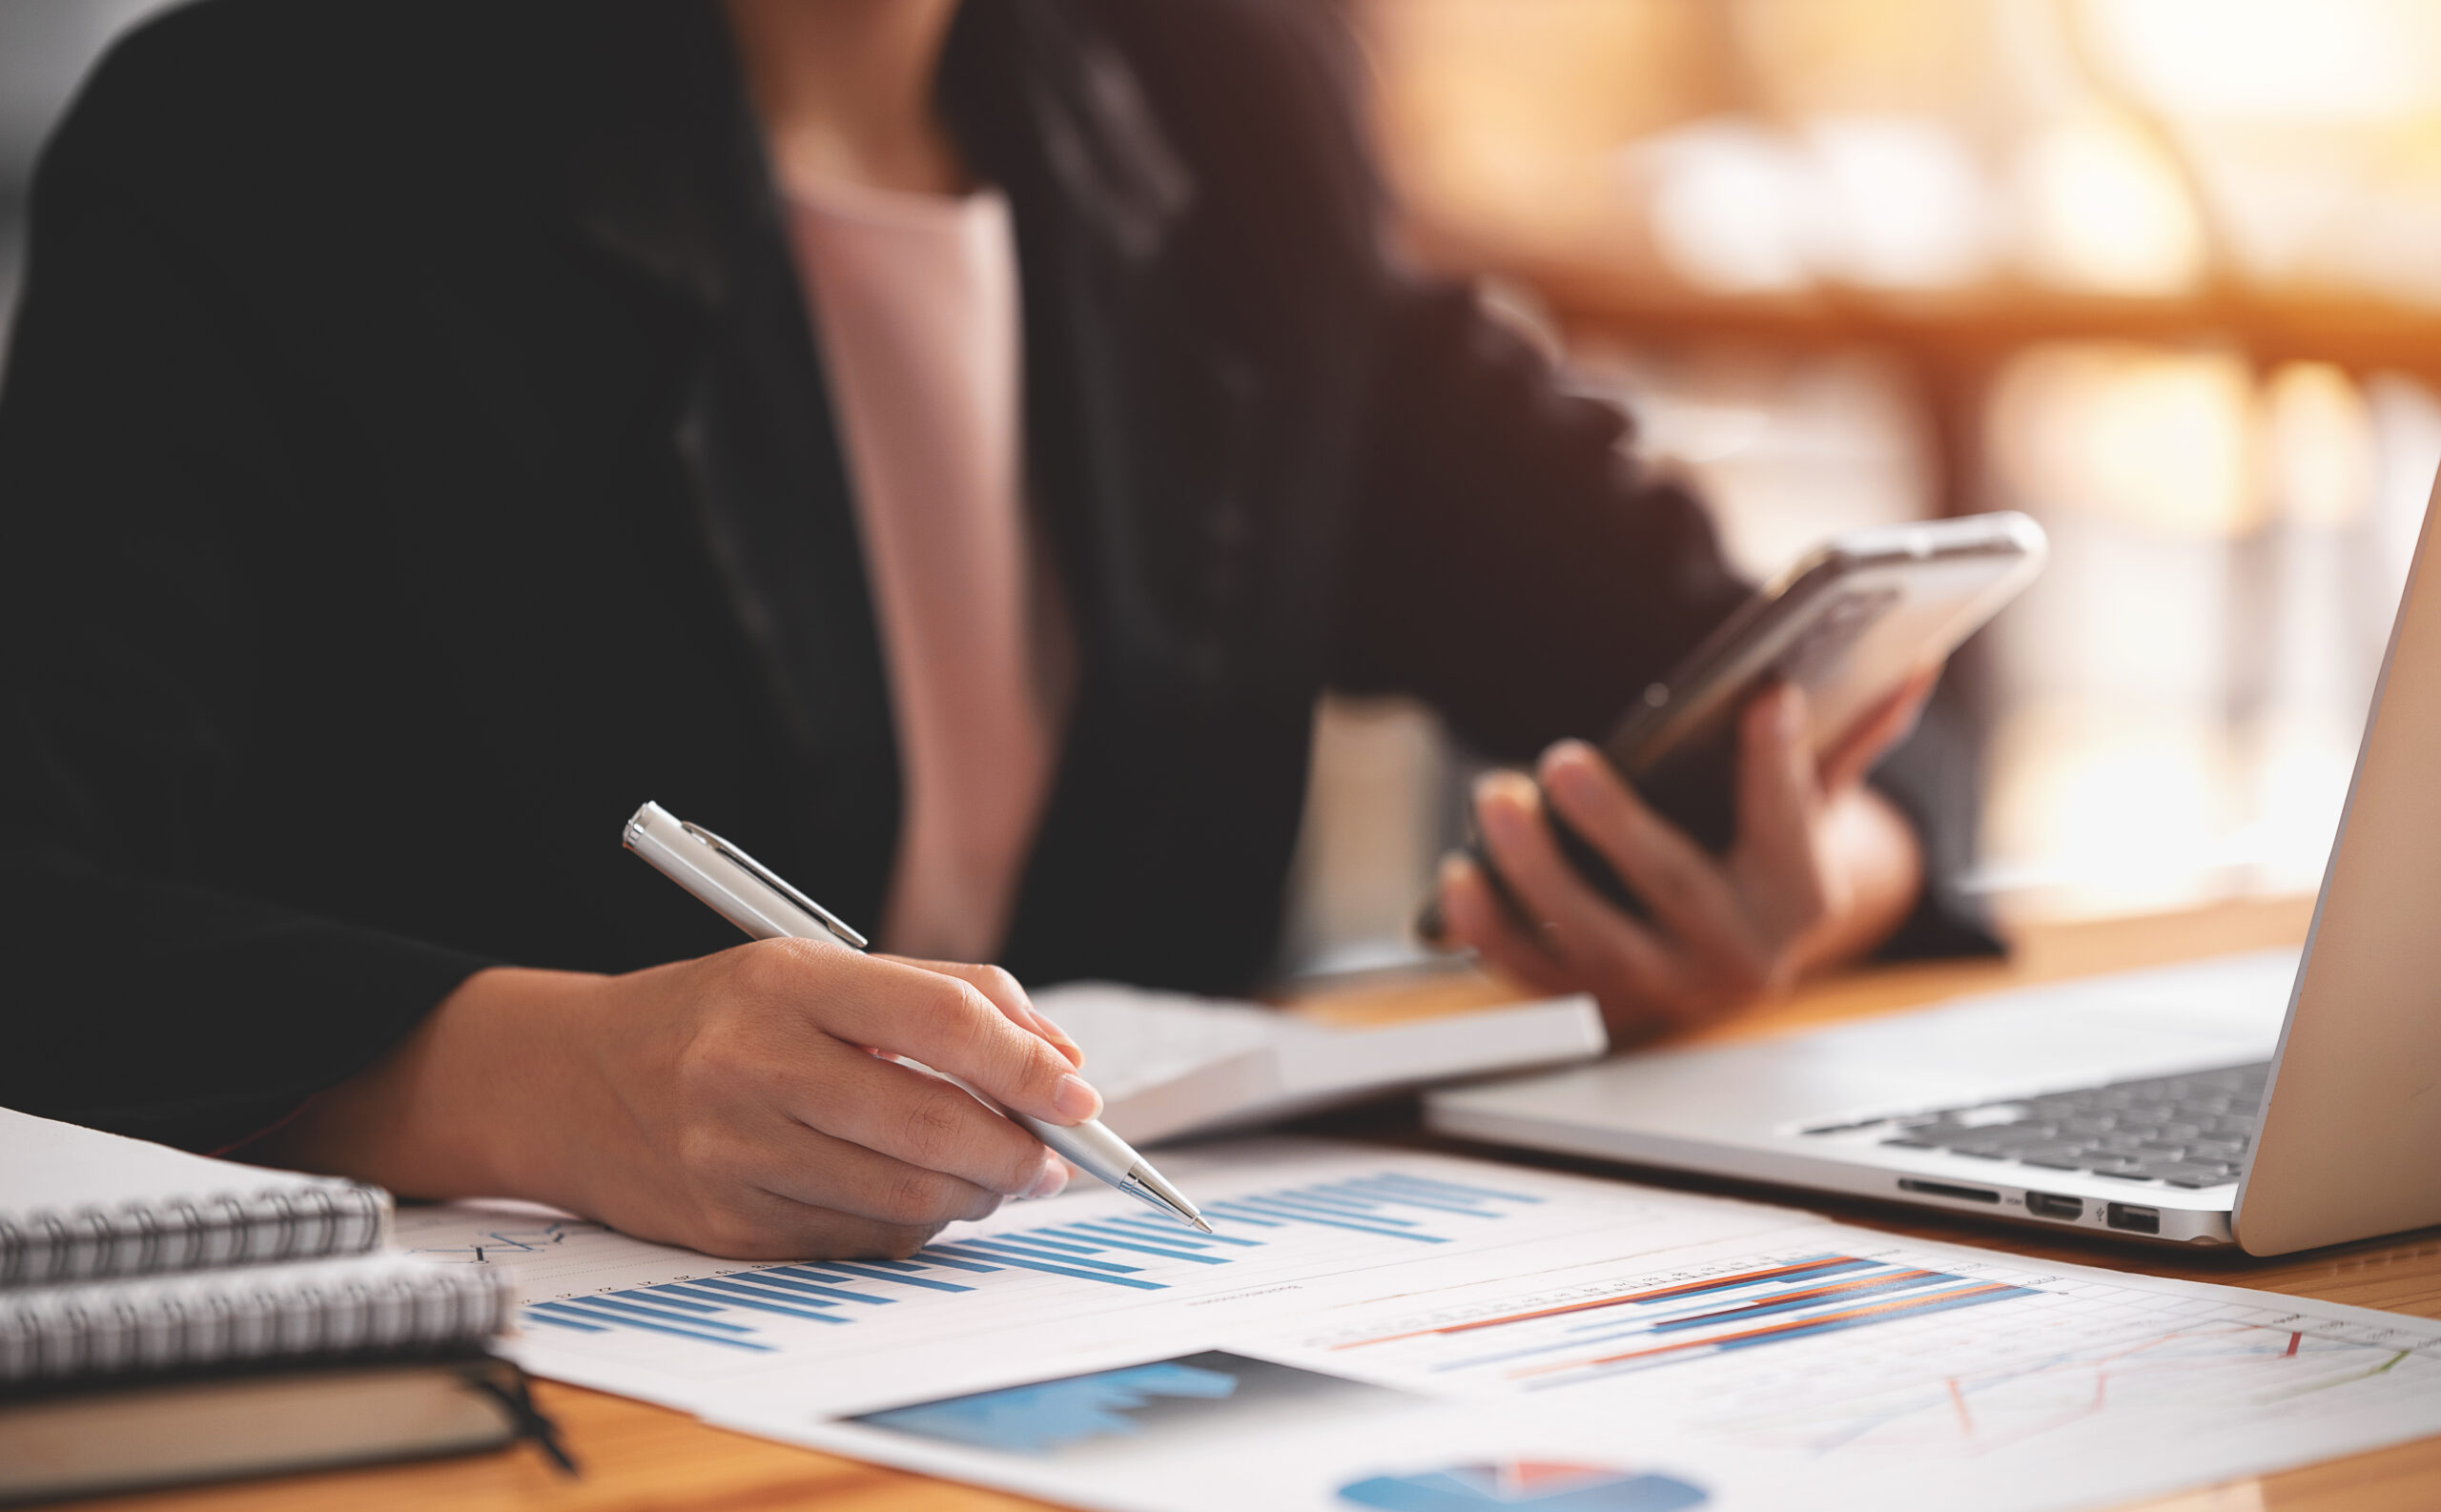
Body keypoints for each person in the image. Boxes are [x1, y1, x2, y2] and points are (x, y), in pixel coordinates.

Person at [0, 0, 1985, 1261]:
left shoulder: (1222, 102)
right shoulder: (261, 134)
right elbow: (37, 898)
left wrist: (1796, 882)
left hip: (1104, 1411)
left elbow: (1800, 674)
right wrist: (548, 1077)